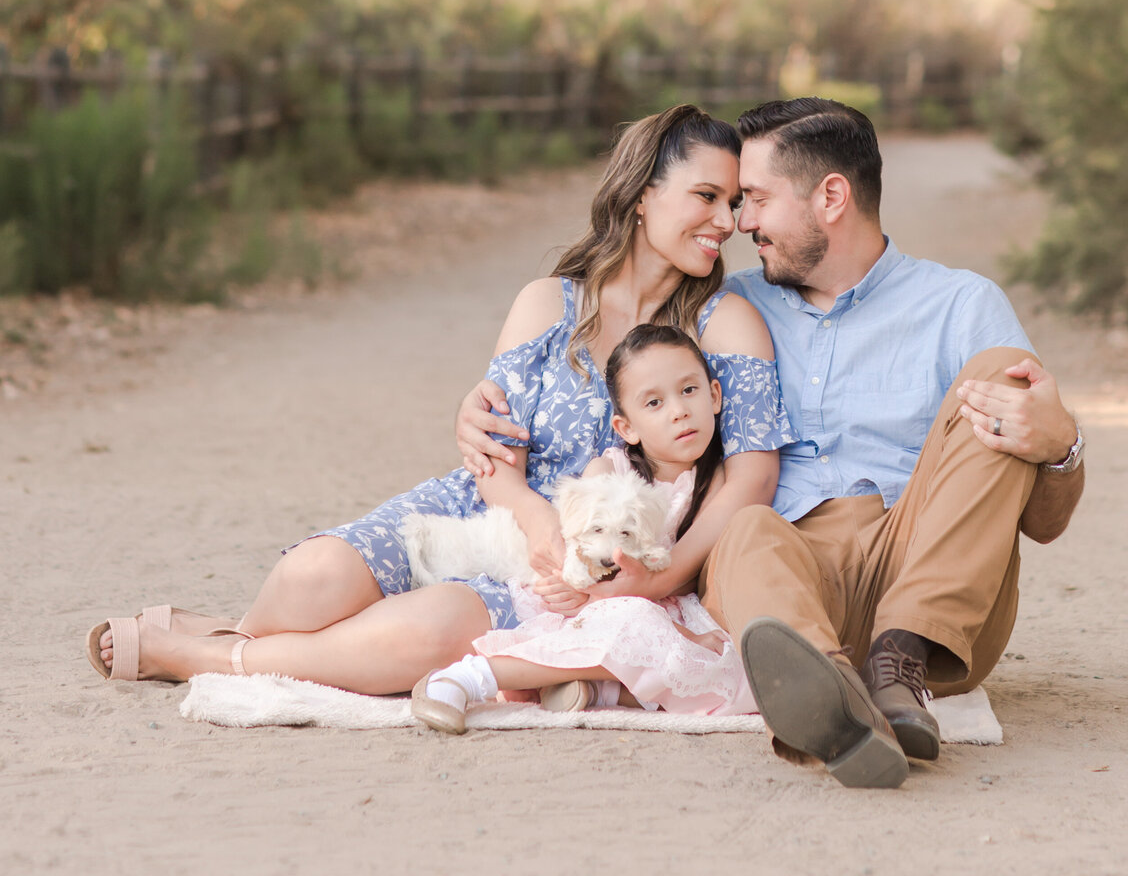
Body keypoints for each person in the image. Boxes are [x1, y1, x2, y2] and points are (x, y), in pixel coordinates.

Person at [458, 97, 1085, 790]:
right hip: (780, 579)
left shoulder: (961, 305)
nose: (737, 223)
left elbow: (1042, 519)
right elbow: (621, 378)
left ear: (832, 197)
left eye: (754, 199)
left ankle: (898, 661)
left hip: (925, 564)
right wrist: (484, 408)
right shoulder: (723, 310)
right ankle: (832, 693)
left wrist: (1062, 446)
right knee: (750, 522)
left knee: (998, 377)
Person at [87, 105, 792, 692]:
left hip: (580, 567)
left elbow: (751, 478)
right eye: (707, 197)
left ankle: (204, 659)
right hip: (489, 513)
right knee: (311, 576)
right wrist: (532, 513)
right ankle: (234, 642)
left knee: (423, 634)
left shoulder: (722, 322)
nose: (726, 221)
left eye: (733, 203)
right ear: (644, 195)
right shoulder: (549, 303)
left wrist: (657, 576)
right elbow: (493, 454)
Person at [411, 324, 758, 731]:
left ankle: (598, 691)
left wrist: (681, 629)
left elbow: (686, 568)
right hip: (587, 599)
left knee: (726, 665)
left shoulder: (714, 481)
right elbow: (580, 549)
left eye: (688, 391)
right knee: (631, 629)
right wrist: (587, 587)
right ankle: (468, 677)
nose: (679, 411)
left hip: (656, 600)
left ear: (714, 395)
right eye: (654, 403)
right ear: (626, 428)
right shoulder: (610, 471)